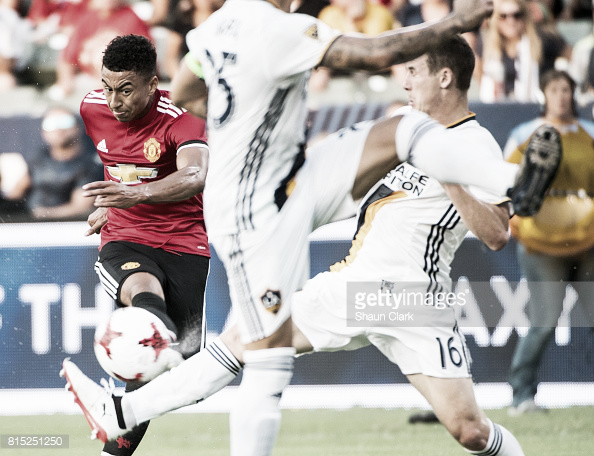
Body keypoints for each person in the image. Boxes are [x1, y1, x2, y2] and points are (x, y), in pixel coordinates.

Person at [61, 1, 563, 454]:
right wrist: (455, 21)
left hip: (416, 299)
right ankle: (121, 413)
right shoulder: (280, 30)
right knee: (256, 353)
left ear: (446, 79)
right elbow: (369, 56)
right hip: (336, 267)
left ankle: (519, 182)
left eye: (414, 72)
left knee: (470, 430)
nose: (405, 82)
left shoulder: (220, 26)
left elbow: (496, 234)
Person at [76, 34, 211, 456]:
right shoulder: (91, 107)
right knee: (144, 303)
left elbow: (194, 176)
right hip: (125, 239)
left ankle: (116, 414)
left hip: (185, 244)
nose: (114, 101)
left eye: (126, 89)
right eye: (107, 86)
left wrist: (136, 194)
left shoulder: (182, 117)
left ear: (153, 84)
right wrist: (113, 203)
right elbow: (120, 165)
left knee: (175, 375)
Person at [504, 69, 594, 416]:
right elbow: (503, 185)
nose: (562, 96)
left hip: (587, 242)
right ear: (544, 94)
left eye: (566, 89)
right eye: (554, 89)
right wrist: (512, 221)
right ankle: (521, 397)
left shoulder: (589, 134)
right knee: (544, 322)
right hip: (541, 246)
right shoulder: (524, 135)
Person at [5, 106, 103, 221]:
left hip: (66, 228)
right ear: (43, 132)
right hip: (28, 225)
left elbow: (81, 208)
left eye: (65, 122)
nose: (58, 129)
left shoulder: (90, 166)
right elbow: (16, 193)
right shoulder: (39, 159)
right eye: (50, 124)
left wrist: (42, 214)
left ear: (78, 127)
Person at [48, 0, 152, 101]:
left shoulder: (132, 19)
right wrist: (66, 81)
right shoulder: (87, 19)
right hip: (88, 80)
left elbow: (144, 63)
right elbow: (67, 58)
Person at [479, 0, 543, 103]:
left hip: (530, 109)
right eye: (503, 16)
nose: (511, 21)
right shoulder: (487, 48)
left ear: (524, 17)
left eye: (516, 15)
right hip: (498, 110)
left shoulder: (540, 44)